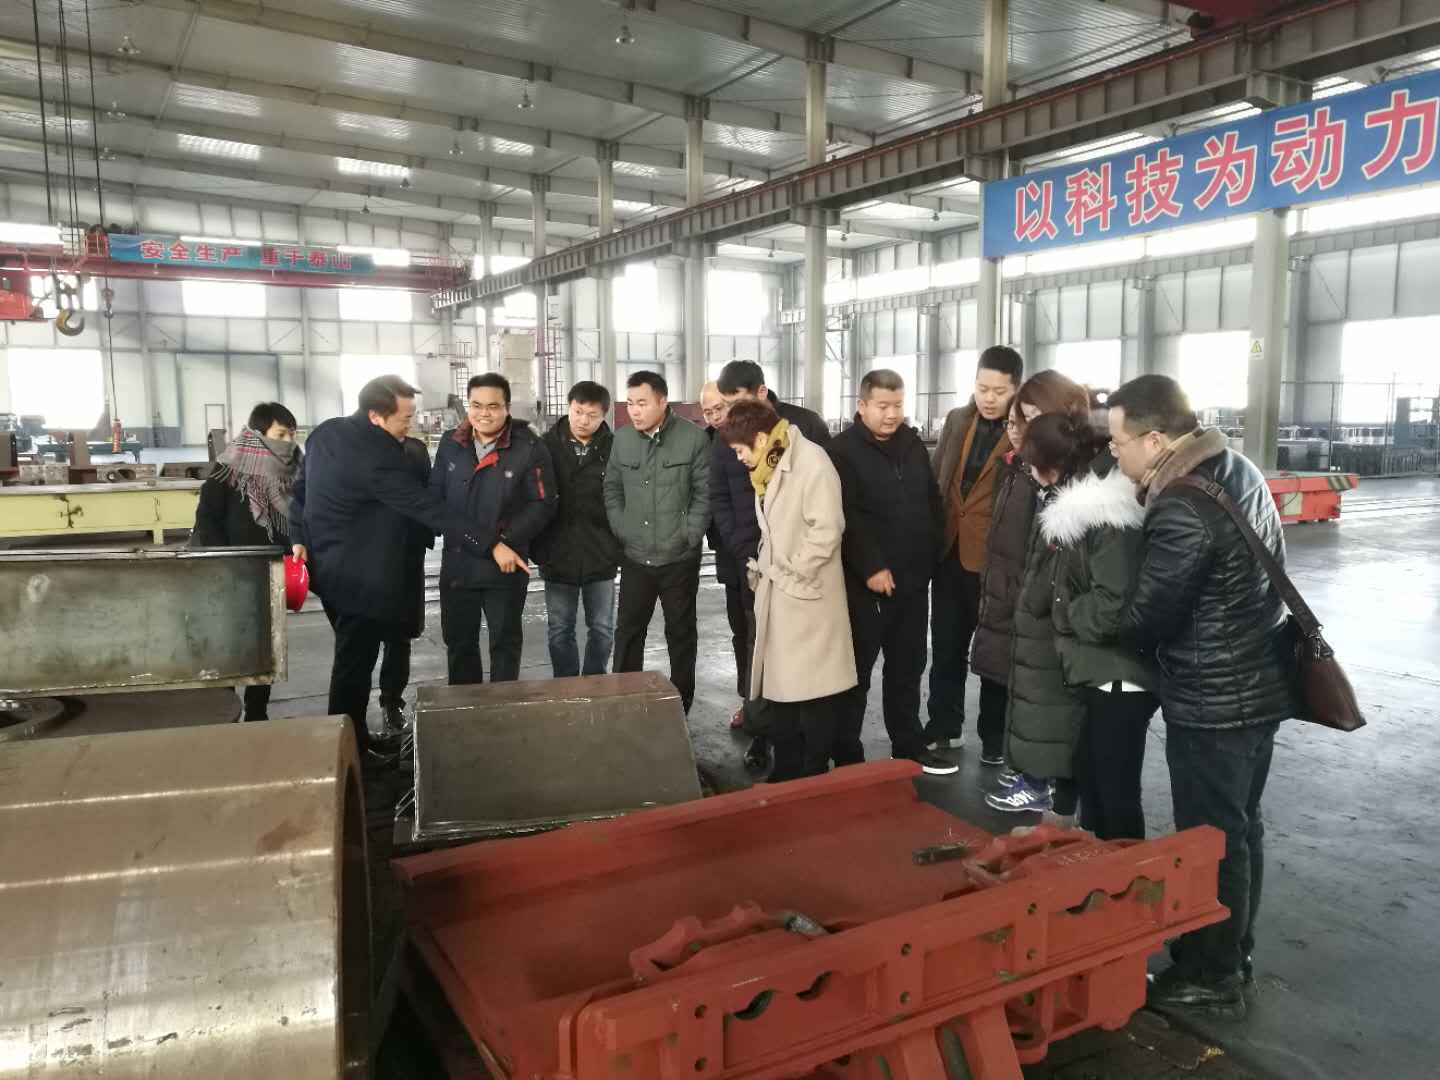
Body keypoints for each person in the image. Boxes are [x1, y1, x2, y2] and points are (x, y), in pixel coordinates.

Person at [1105, 374, 1301, 1020]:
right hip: (1259, 682)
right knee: (1240, 829)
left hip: (1214, 697)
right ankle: (1231, 953)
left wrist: (1095, 617)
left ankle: (1212, 973)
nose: (1114, 453)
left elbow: (1149, 614)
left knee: (1210, 839)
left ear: (1156, 440)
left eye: (1118, 442)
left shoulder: (1181, 505)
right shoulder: (1236, 467)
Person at [291, 375, 501, 764]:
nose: (411, 424)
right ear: (376, 416)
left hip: (328, 570)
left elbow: (299, 490)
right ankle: (348, 755)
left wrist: (297, 534)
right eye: (405, 417)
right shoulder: (378, 458)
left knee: (353, 658)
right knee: (353, 667)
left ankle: (356, 737)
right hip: (360, 578)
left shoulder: (325, 434)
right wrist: (489, 542)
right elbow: (426, 507)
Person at [985, 411, 1159, 833]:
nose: (1030, 473)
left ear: (1055, 464)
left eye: (1033, 464)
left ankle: (1123, 866)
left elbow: (1111, 604)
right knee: (1092, 782)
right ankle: (1093, 858)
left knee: (1114, 793)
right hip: (1095, 672)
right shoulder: (1072, 509)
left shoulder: (1106, 516)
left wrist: (1062, 610)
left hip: (1119, 678)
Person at [717, 399, 855, 781]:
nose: (740, 458)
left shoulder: (812, 463)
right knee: (782, 695)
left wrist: (792, 573)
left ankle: (812, 773)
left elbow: (827, 529)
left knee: (813, 696)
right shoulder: (772, 465)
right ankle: (789, 770)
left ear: (762, 439)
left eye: (741, 450)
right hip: (780, 596)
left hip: (807, 597)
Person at [828, 369, 956, 776]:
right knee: (858, 673)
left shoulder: (912, 444)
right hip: (867, 585)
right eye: (883, 406)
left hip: (914, 581)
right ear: (862, 406)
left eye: (898, 405)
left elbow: (931, 500)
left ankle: (908, 745)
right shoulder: (842, 451)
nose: (891, 414)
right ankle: (847, 753)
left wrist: (934, 553)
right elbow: (847, 516)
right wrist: (871, 567)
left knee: (908, 668)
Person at [972, 371, 1090, 794]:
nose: (1022, 427)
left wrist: (1033, 595)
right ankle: (1025, 769)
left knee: (1042, 693)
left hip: (1037, 602)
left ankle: (1043, 781)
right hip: (1010, 595)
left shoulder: (1068, 478)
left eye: (1033, 416)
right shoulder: (1017, 468)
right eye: (1019, 418)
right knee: (1017, 687)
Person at [927, 346, 1023, 758]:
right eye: (983, 388)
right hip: (949, 554)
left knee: (994, 653)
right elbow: (938, 478)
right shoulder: (956, 420)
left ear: (1015, 389)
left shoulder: (1025, 433)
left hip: (996, 563)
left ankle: (994, 738)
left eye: (999, 391)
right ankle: (943, 726)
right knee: (946, 646)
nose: (988, 398)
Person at [432, 372, 557, 684]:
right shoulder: (450, 444)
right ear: (468, 406)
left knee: (504, 644)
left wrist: (505, 541)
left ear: (507, 408)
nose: (483, 413)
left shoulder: (529, 448)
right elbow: (436, 501)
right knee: (460, 645)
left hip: (506, 565)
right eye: (476, 405)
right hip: (458, 564)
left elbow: (543, 503)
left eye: (493, 406)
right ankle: (465, 707)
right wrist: (489, 544)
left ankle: (503, 707)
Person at [605, 370, 710, 713]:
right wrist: (623, 527)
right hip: (636, 556)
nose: (634, 411)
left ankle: (681, 704)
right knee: (628, 632)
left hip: (679, 558)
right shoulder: (622, 439)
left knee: (681, 633)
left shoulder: (693, 438)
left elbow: (704, 494)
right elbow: (612, 488)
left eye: (642, 403)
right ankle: (625, 698)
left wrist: (689, 535)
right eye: (630, 403)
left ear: (662, 402)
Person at [191, 400, 301, 724]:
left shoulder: (293, 470)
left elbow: (301, 516)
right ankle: (223, 711)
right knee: (228, 645)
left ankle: (257, 712)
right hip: (231, 572)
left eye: (292, 435)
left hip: (271, 570)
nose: (288, 442)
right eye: (281, 434)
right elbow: (207, 520)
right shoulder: (227, 471)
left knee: (265, 647)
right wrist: (225, 563)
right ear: (258, 434)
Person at [534, 381, 620, 678]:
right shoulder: (545, 447)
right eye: (578, 412)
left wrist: (616, 548)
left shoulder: (614, 448)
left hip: (601, 554)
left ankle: (594, 684)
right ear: (568, 408)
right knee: (560, 629)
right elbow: (532, 498)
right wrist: (541, 549)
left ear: (604, 415)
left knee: (602, 629)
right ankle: (566, 686)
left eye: (592, 415)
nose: (583, 420)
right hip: (558, 554)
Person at [377, 434, 434, 734]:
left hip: (408, 555)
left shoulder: (415, 450)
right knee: (362, 637)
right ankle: (353, 713)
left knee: (399, 636)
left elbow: (428, 494)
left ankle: (391, 701)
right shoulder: (357, 448)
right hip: (368, 555)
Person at [715, 360, 831, 445]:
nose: (732, 411)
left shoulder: (809, 424)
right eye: (727, 404)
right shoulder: (727, 433)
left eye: (738, 403)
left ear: (761, 392)